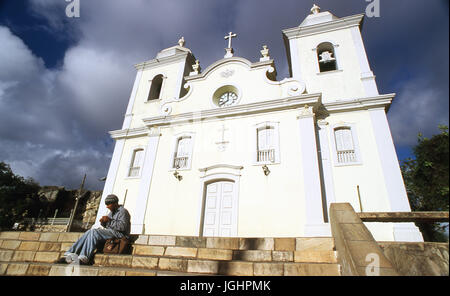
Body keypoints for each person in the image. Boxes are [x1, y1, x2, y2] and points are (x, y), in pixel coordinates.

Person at [56, 194, 131, 265]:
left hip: (121, 235)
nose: (107, 207)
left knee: (94, 232)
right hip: (113, 232)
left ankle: (84, 258)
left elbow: (122, 227)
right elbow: (109, 226)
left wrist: (109, 221)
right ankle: (70, 254)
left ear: (115, 203)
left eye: (108, 204)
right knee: (90, 231)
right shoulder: (112, 212)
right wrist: (104, 223)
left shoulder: (123, 212)